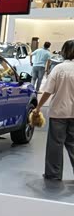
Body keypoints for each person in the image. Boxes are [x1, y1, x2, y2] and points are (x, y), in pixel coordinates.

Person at [33, 39, 74, 180]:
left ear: (64, 51)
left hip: (59, 112)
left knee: (55, 144)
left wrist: (38, 107)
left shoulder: (59, 68)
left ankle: (53, 174)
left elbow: (48, 91)